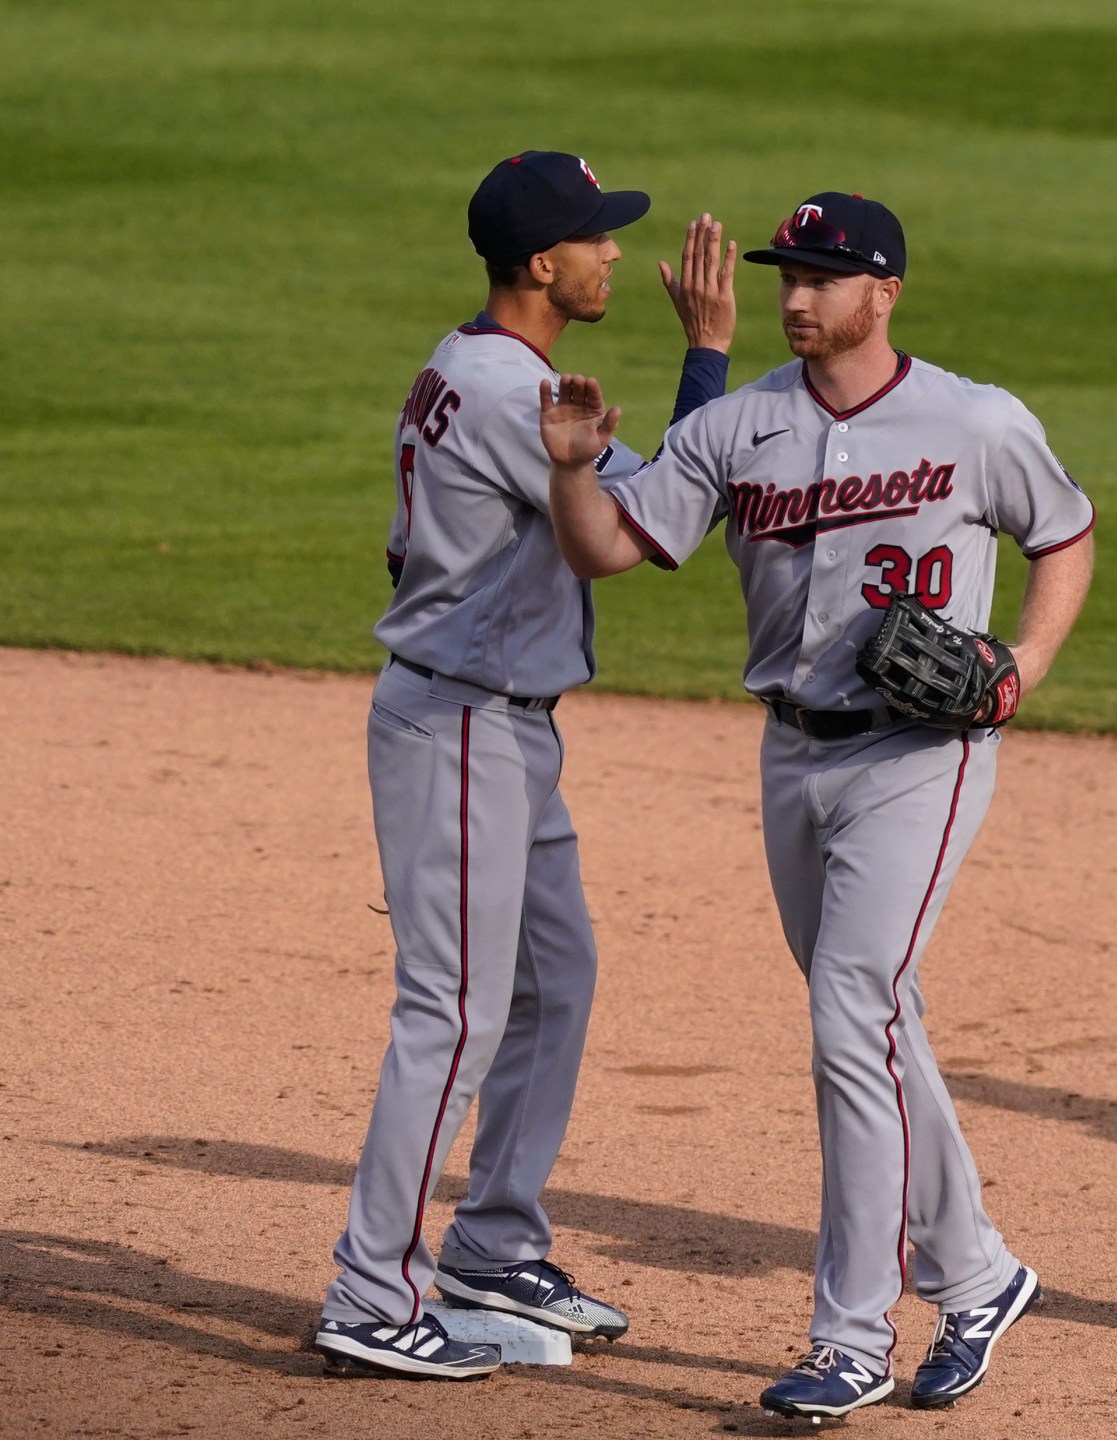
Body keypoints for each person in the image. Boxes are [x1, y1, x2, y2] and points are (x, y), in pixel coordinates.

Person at [539, 191, 1095, 1416]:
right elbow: (609, 551)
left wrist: (1023, 667)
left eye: (822, 279)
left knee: (852, 1011)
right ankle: (980, 1274)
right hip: (790, 757)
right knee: (876, 1020)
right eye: (785, 275)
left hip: (921, 756)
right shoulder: (740, 427)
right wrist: (576, 473)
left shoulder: (972, 421)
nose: (794, 297)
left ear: (883, 292)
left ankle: (851, 1335)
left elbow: (1066, 534)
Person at [315, 152, 736, 1378]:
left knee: (554, 980)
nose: (615, 253)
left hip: (497, 721)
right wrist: (707, 358)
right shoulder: (511, 394)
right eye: (596, 240)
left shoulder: (477, 364)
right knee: (450, 1013)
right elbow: (629, 533)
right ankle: (367, 1294)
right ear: (541, 266)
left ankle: (493, 1246)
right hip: (462, 729)